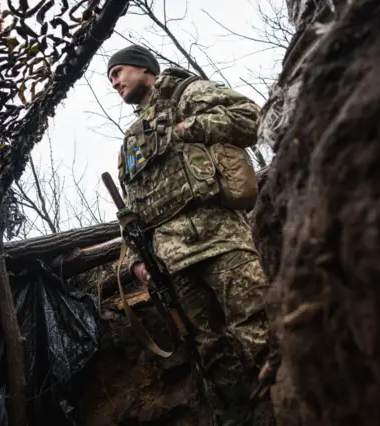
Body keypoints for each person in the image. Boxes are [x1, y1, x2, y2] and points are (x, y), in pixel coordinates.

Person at [107, 45, 272, 425]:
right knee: (212, 353)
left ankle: (299, 402)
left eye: (118, 71)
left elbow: (251, 117)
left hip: (221, 239)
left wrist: (187, 128)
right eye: (111, 77)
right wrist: (134, 262)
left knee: (258, 327)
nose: (114, 82)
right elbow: (130, 209)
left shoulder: (188, 94)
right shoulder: (130, 141)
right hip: (172, 262)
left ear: (145, 69)